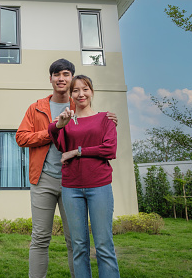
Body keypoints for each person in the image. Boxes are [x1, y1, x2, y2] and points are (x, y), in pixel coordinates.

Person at [16, 60, 117, 278]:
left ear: (72, 78)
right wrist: (53, 130)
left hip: (73, 180)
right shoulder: (36, 108)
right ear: (50, 79)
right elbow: (21, 137)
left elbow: (95, 130)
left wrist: (108, 120)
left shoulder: (79, 104)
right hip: (43, 179)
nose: (61, 78)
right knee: (40, 237)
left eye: (66, 74)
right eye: (56, 74)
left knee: (75, 240)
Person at [48, 74, 120, 278]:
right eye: (76, 90)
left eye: (85, 89)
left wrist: (77, 151)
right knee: (79, 246)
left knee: (104, 245)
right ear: (71, 95)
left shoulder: (105, 118)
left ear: (92, 92)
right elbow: (59, 143)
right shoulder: (67, 120)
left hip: (99, 186)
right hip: (71, 188)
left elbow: (110, 150)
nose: (81, 94)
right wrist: (59, 125)